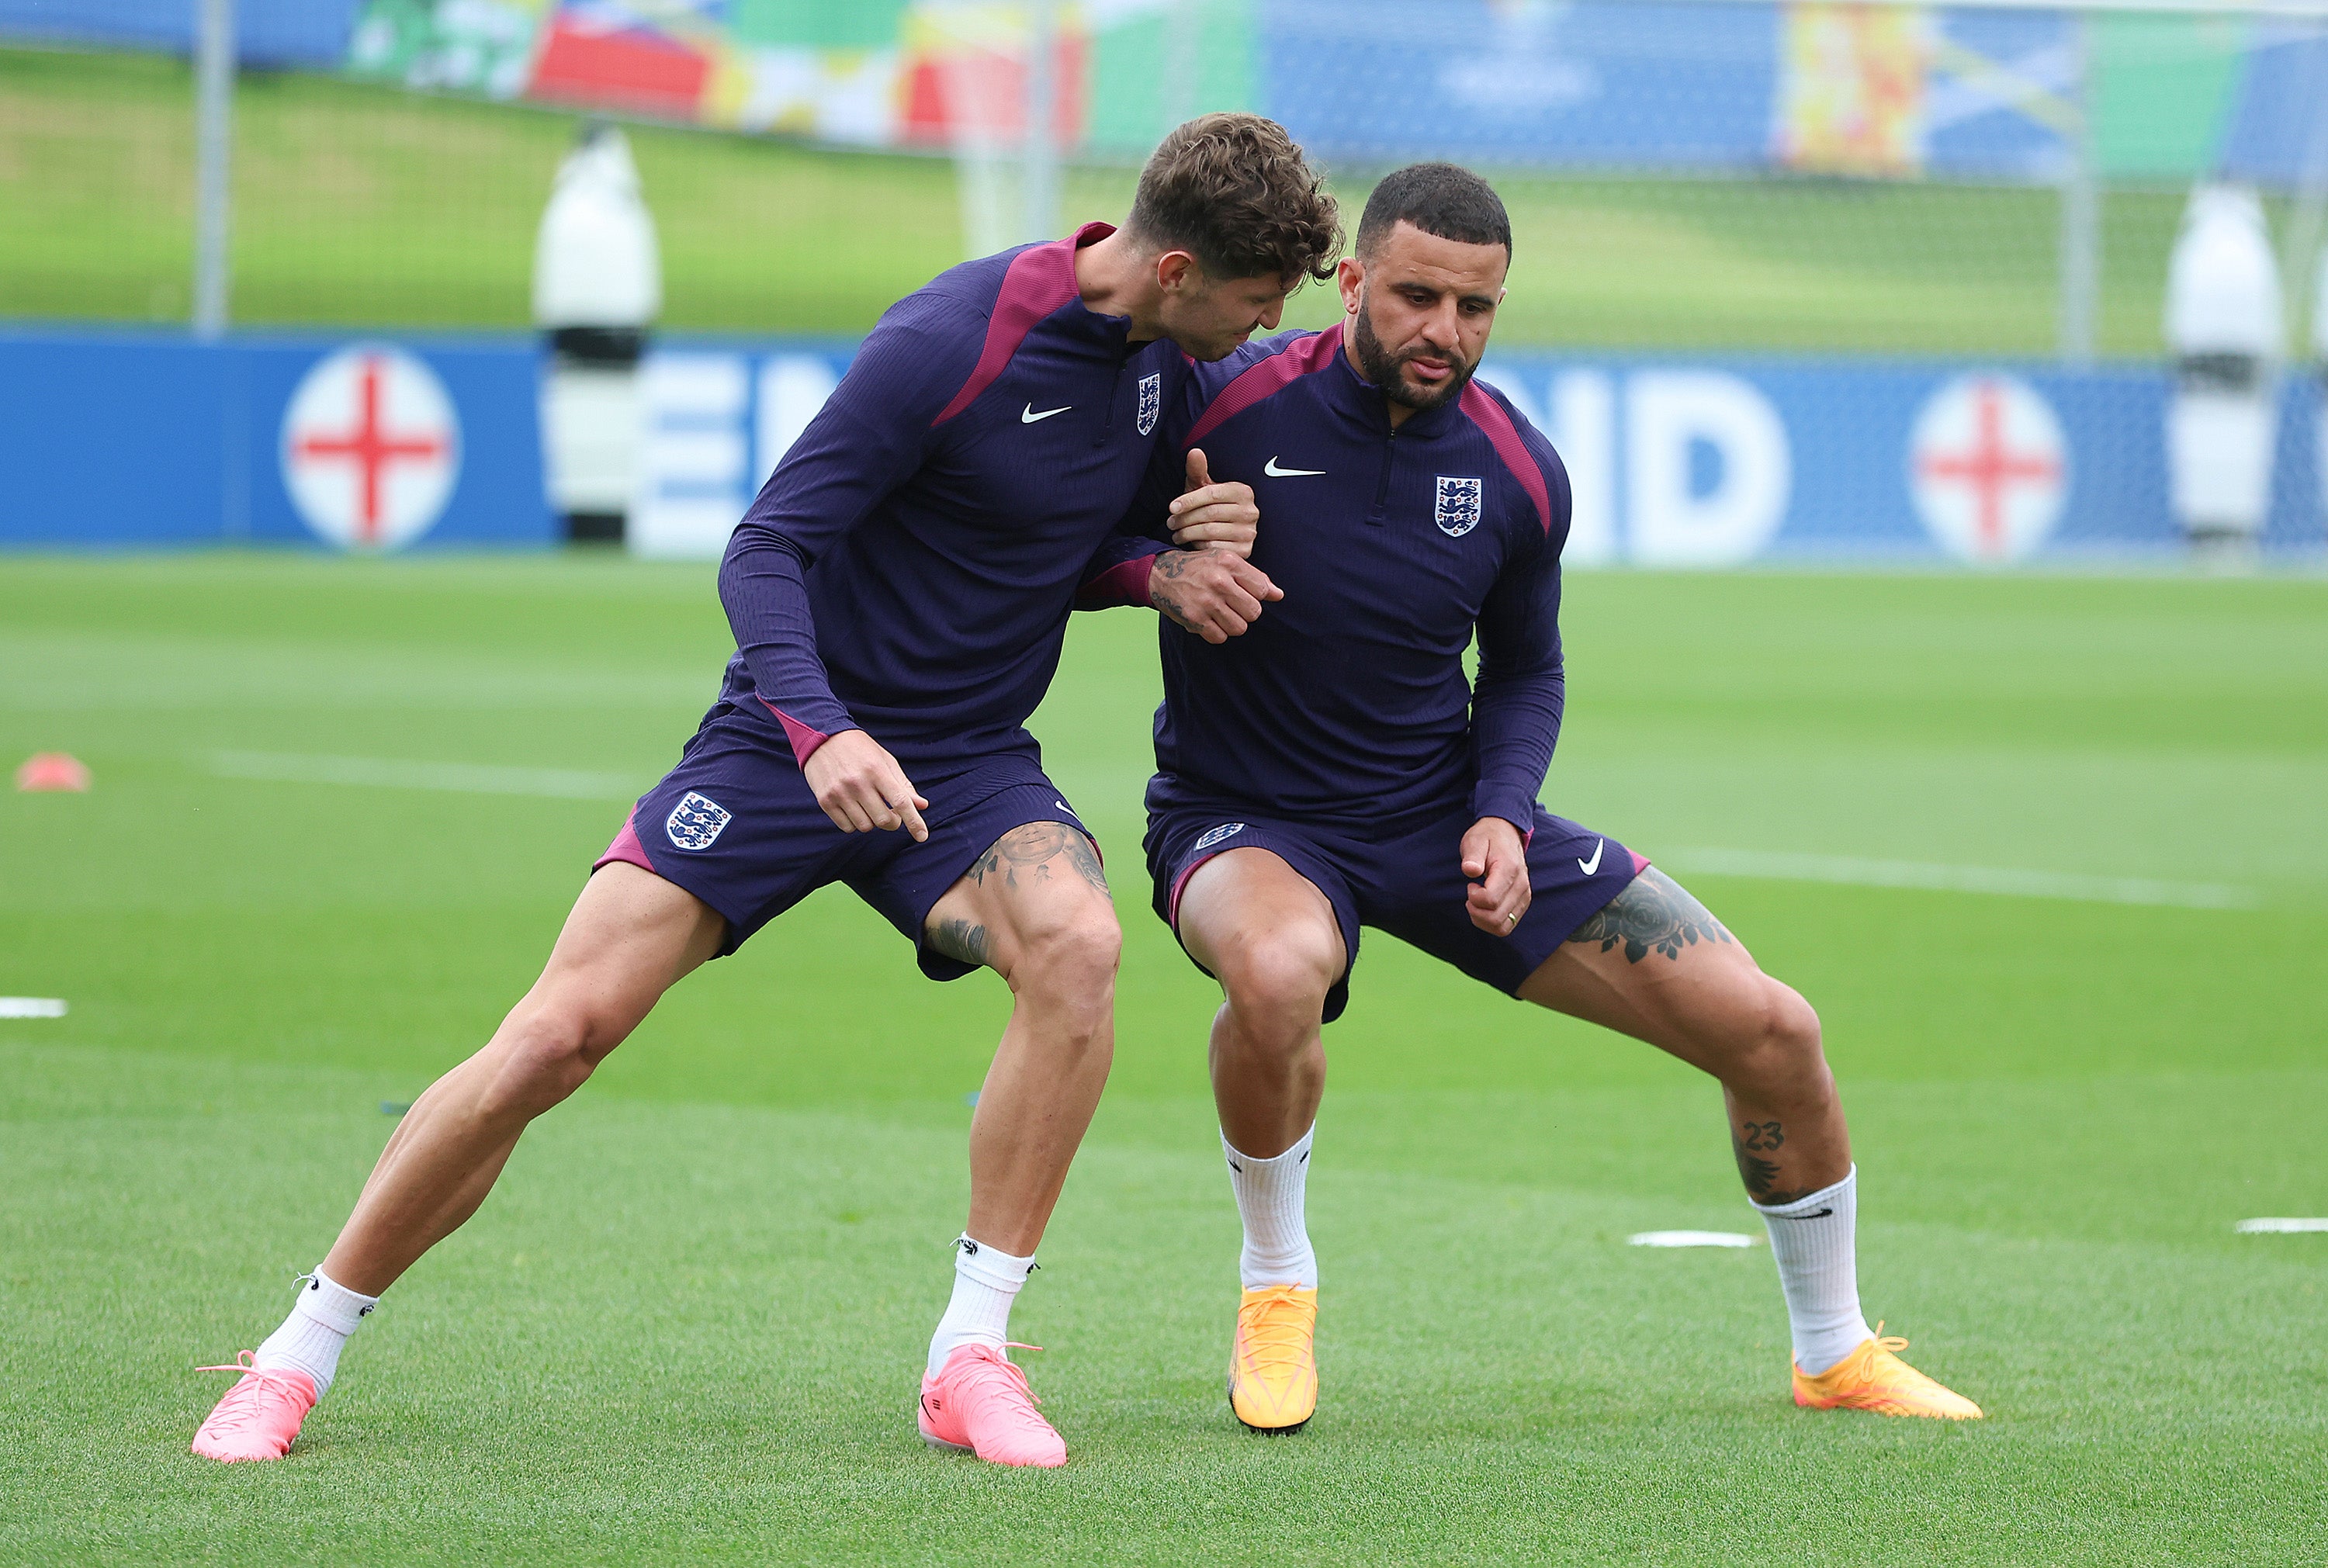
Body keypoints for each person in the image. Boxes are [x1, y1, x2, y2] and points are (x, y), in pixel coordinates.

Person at [190, 114, 1336, 1470]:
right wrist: (820, 732)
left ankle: (969, 1355)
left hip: (963, 768)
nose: (1262, 332)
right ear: (1176, 267)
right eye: (1254, 303)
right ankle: (294, 1352)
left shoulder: (1164, 364)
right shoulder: (952, 340)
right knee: (558, 1033)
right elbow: (768, 546)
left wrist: (1160, 568)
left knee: (1079, 947)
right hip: (784, 744)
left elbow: (1060, 543)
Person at [1080, 162, 1980, 1435]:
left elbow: (1527, 668)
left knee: (1775, 1031)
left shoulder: (1520, 470)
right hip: (1246, 817)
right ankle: (1277, 1286)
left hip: (1443, 816)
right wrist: (1160, 565)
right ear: (1349, 283)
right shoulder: (1220, 398)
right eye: (1416, 297)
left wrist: (1504, 808)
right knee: (1277, 974)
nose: (1445, 331)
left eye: (1478, 307)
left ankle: (1833, 1348)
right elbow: (1053, 544)